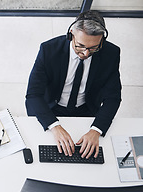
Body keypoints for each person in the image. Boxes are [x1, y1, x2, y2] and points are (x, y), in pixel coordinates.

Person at [25, 10, 121, 159]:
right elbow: (33, 95)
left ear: (102, 40)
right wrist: (54, 126)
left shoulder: (111, 53)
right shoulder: (48, 50)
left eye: (93, 48)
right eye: (80, 46)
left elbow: (113, 98)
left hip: (86, 110)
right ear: (71, 34)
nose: (86, 53)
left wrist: (96, 130)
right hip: (51, 108)